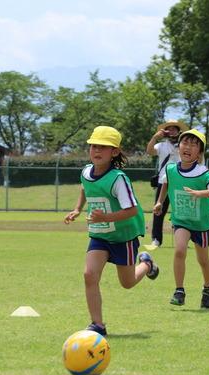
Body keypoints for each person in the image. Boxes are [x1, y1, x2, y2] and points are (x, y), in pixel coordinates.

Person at [64, 126, 160, 336]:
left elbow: (132, 210)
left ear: (114, 152)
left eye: (103, 147)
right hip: (99, 235)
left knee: (127, 283)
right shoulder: (86, 172)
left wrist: (105, 217)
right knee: (89, 275)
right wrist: (77, 209)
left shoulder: (118, 179)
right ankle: (97, 325)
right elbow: (84, 187)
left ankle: (147, 264)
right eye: (94, 146)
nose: (96, 151)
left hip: (123, 236)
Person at [154, 129, 209, 309]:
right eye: (185, 143)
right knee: (179, 250)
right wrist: (160, 202)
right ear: (179, 147)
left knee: (203, 260)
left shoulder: (202, 172)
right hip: (181, 220)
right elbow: (166, 184)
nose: (188, 147)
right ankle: (179, 290)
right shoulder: (170, 169)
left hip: (201, 224)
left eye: (194, 144)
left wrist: (200, 193)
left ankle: (208, 287)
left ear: (199, 152)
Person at [146, 119, 188, 247]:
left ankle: (182, 239)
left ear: (178, 130)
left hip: (180, 181)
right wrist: (155, 137)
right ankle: (156, 239)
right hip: (162, 181)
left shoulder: (184, 144)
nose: (171, 131)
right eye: (169, 129)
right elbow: (150, 151)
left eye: (174, 128)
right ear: (165, 131)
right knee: (158, 211)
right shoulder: (162, 145)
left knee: (181, 212)